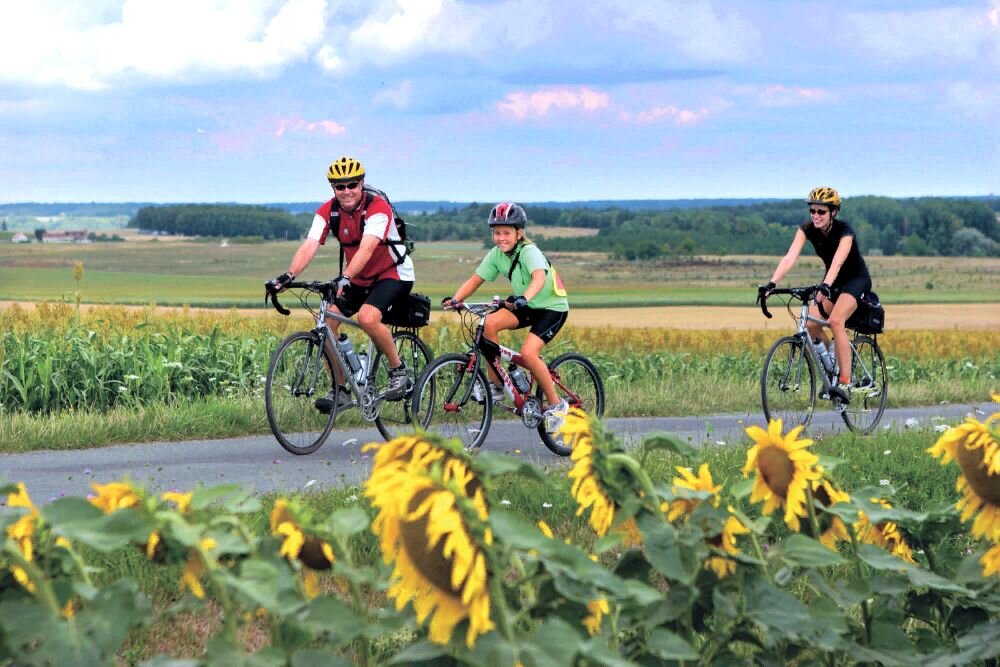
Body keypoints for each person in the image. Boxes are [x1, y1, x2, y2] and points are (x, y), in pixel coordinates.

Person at [267, 156, 416, 412]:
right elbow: (310, 244)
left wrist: (346, 277)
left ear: (362, 184)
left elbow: (368, 247)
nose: (346, 191)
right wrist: (288, 275)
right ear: (333, 188)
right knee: (326, 323)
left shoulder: (378, 207)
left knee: (368, 318)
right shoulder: (327, 211)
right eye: (340, 186)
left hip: (393, 274)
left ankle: (399, 371)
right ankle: (341, 390)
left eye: (352, 185)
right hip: (358, 278)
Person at [441, 202, 570, 432]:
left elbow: (539, 278)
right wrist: (456, 299)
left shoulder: (529, 252)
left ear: (519, 233)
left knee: (529, 353)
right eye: (497, 232)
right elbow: (475, 280)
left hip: (551, 306)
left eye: (506, 233)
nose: (501, 238)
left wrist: (524, 298)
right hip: (526, 304)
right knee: (488, 325)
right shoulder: (496, 255)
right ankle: (497, 385)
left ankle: (556, 405)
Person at [762, 186, 872, 403]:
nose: (816, 216)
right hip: (832, 282)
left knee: (835, 321)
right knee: (810, 325)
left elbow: (838, 262)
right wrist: (772, 283)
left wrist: (825, 285)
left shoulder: (845, 232)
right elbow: (789, 258)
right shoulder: (807, 230)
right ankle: (831, 365)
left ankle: (845, 382)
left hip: (855, 280)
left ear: (833, 212)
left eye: (821, 212)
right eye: (813, 211)